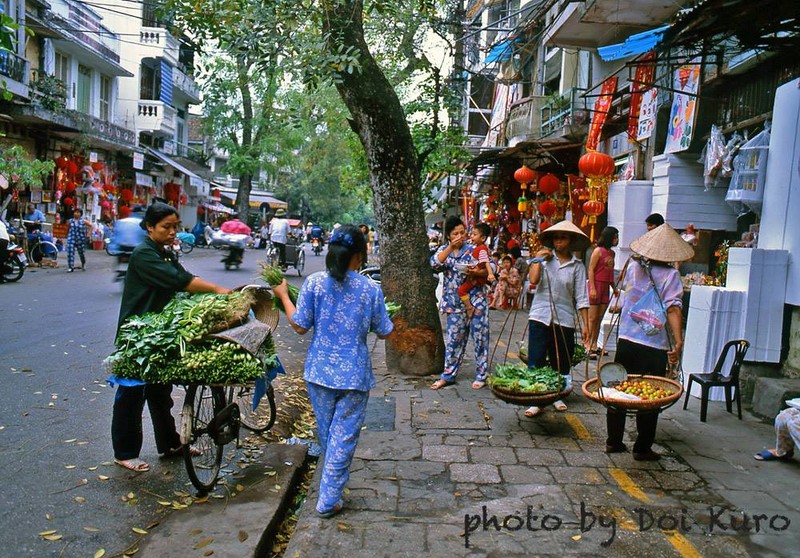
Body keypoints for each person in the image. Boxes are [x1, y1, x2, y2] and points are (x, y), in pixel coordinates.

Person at [271, 225, 395, 518]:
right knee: (343, 437)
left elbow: (300, 325)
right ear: (358, 256)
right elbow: (385, 331)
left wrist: (283, 297)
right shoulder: (370, 289)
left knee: (329, 435)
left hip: (319, 373)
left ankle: (330, 488)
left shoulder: (314, 284)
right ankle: (328, 499)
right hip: (354, 374)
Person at [111, 202, 231, 472]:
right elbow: (179, 282)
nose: (172, 231)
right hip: (137, 332)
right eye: (166, 227)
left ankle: (170, 444)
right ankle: (125, 452)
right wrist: (215, 289)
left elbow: (184, 276)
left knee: (159, 392)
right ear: (150, 227)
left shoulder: (164, 253)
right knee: (132, 393)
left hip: (157, 330)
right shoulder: (143, 255)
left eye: (175, 226)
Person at [605, 223, 692, 461]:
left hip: (626, 338)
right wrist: (679, 340)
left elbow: (624, 290)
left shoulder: (633, 266)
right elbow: (673, 308)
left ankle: (614, 441)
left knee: (618, 388)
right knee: (651, 393)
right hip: (654, 345)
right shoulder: (671, 275)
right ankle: (642, 447)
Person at [524, 220, 590, 417]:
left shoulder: (577, 266)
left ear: (570, 241)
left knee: (559, 359)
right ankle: (537, 399)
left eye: (563, 237)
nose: (559, 241)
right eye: (556, 238)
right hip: (540, 315)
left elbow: (581, 297)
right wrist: (536, 259)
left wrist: (586, 324)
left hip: (564, 318)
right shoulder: (544, 260)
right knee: (536, 358)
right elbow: (534, 281)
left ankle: (557, 395)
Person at [430, 216, 491, 390]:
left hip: (476, 299)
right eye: (455, 233)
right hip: (454, 303)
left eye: (463, 232)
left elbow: (491, 268)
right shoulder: (444, 250)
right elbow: (433, 264)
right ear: (448, 236)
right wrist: (450, 247)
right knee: (453, 341)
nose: (460, 236)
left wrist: (478, 272)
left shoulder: (474, 249)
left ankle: (481, 374)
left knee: (480, 337)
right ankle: (448, 375)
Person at [587, 226, 619, 359]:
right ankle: (587, 344)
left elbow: (610, 272)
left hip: (606, 287)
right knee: (592, 318)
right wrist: (593, 288)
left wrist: (614, 288)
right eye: (615, 237)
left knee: (599, 318)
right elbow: (591, 270)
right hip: (596, 285)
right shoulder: (598, 251)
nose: (617, 240)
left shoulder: (612, 253)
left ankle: (595, 344)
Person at [457, 222, 496, 319]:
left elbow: (486, 261)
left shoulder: (482, 249)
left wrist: (490, 274)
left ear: (483, 238)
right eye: (471, 234)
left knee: (461, 290)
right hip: (474, 275)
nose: (471, 236)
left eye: (474, 234)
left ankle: (469, 307)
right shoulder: (478, 248)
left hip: (477, 278)